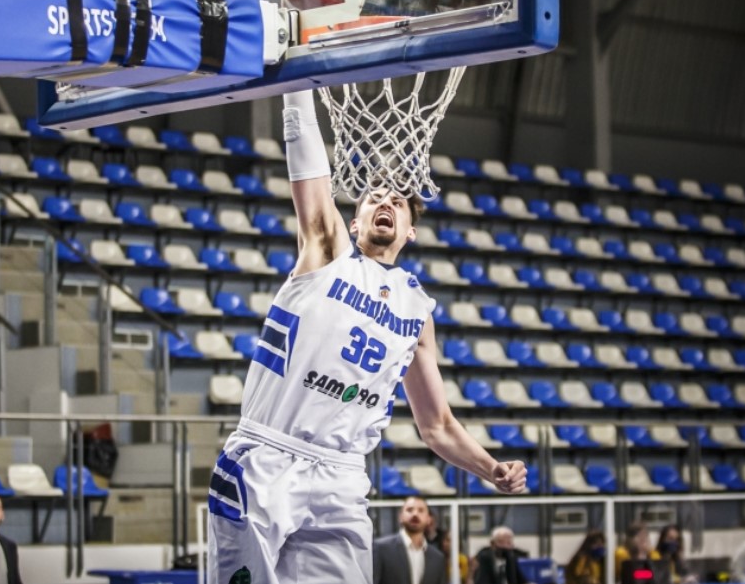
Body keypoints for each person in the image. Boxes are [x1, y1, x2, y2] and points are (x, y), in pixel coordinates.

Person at [205, 88, 527, 584]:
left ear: (409, 231)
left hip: (341, 475)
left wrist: (490, 469)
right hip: (269, 456)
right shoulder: (328, 251)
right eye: (374, 196)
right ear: (353, 221)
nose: (386, 201)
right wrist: (297, 89)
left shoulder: (418, 310)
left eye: (398, 201)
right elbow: (309, 170)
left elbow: (437, 424)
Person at [374, 496, 446, 584]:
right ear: (400, 516)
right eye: (409, 510)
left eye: (421, 510)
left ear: (428, 519)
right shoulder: (382, 548)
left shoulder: (438, 558)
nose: (415, 514)